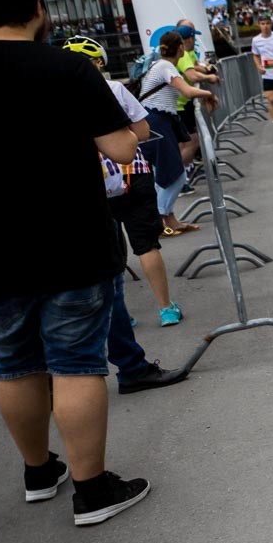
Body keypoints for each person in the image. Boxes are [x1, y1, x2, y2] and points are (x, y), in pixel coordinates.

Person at [0, 0, 153, 525]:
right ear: (37, 8)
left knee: (14, 363)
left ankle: (39, 472)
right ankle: (92, 490)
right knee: (76, 362)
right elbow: (121, 150)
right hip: (71, 237)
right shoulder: (68, 68)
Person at [66, 37, 183, 327]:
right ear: (97, 63)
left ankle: (121, 316)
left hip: (91, 179)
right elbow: (143, 132)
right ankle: (166, 308)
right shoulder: (114, 89)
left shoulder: (59, 93)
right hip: (132, 173)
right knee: (146, 244)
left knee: (109, 252)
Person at [140, 30, 217, 234]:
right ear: (180, 47)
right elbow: (188, 91)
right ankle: (160, 219)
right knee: (176, 175)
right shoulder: (165, 66)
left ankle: (169, 220)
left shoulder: (160, 65)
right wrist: (208, 93)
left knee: (164, 173)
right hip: (157, 121)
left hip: (158, 120)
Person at [174, 23, 219, 168]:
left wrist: (207, 70)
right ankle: (179, 174)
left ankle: (185, 171)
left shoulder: (187, 53)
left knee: (188, 143)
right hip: (179, 105)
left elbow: (194, 67)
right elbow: (192, 76)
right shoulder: (184, 55)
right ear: (189, 39)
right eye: (194, 38)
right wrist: (209, 78)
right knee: (191, 143)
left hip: (181, 104)